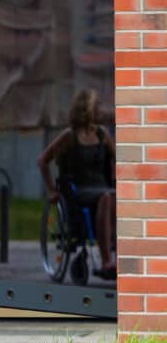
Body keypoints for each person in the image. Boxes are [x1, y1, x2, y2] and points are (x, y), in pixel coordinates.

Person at [37, 87, 116, 279]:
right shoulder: (69, 137)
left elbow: (119, 160)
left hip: (103, 187)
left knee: (115, 196)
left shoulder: (102, 134)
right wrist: (51, 190)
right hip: (78, 191)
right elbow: (43, 160)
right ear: (87, 108)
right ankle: (106, 261)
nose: (100, 109)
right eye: (97, 105)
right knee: (107, 197)